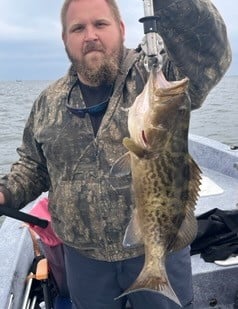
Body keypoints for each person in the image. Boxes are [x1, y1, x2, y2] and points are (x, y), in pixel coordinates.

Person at [0, 0, 231, 308]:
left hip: (159, 243)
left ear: (121, 30)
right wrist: (4, 193)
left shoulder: (155, 73)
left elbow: (208, 50)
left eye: (101, 24)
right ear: (65, 40)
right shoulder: (48, 103)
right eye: (78, 28)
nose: (90, 35)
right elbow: (33, 166)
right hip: (85, 258)